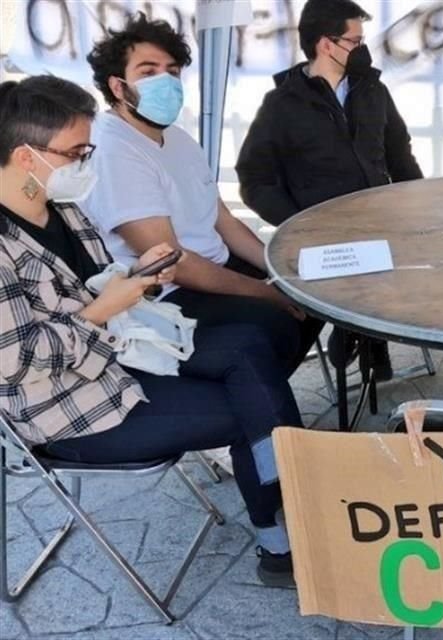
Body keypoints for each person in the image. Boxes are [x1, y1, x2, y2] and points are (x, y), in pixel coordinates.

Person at [0, 75, 300, 587]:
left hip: (119, 357)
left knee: (249, 348)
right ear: (28, 157)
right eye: (77, 151)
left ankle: (290, 517)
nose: (87, 162)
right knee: (251, 408)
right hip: (66, 413)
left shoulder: (66, 213)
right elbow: (15, 361)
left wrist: (145, 279)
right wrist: (103, 309)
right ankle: (286, 533)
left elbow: (105, 290)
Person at [83, 13, 318, 376]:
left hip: (215, 266)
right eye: (148, 72)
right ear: (118, 86)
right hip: (167, 293)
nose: (165, 81)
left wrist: (281, 272)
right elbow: (170, 261)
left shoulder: (177, 137)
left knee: (314, 298)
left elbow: (222, 219)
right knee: (276, 319)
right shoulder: (113, 148)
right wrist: (267, 292)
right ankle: (256, 415)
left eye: (172, 71)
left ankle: (259, 399)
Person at [236, 0, 423, 380]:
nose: (362, 49)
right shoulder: (282, 104)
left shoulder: (373, 90)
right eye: (355, 41)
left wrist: (417, 206)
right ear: (326, 44)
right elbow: (254, 178)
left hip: (380, 224)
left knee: (408, 273)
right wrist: (297, 224)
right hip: (323, 237)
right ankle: (352, 329)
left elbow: (399, 154)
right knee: (349, 287)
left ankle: (364, 333)